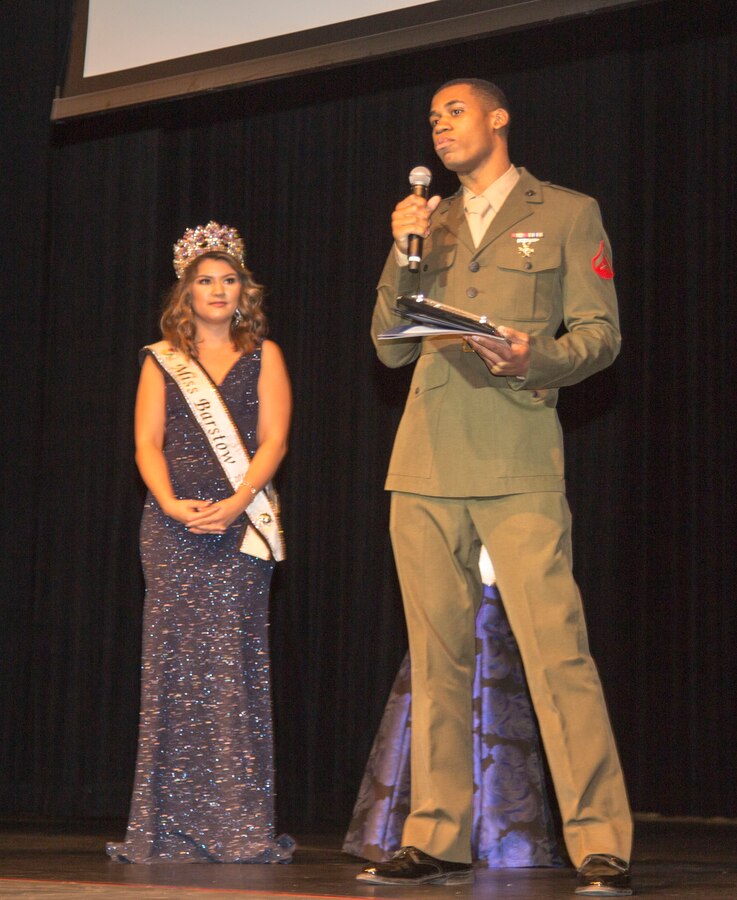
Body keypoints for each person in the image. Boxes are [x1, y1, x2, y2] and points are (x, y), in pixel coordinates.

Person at [356, 79, 633, 896]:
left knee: (557, 654)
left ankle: (600, 842)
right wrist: (404, 250)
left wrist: (532, 357)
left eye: (454, 112)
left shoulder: (567, 212)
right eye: (431, 118)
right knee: (437, 658)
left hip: (517, 460)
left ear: (498, 118)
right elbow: (388, 345)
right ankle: (436, 836)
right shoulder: (426, 222)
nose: (439, 126)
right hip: (425, 462)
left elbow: (600, 336)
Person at [107, 221, 294, 863]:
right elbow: (146, 443)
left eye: (228, 279)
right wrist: (168, 503)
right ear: (186, 293)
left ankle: (238, 825)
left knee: (232, 667)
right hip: (172, 529)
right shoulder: (160, 359)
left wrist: (238, 503)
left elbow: (275, 440)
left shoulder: (265, 355)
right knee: (172, 669)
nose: (217, 289)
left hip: (242, 527)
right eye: (205, 280)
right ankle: (164, 828)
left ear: (244, 291)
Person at [343, 548, 561, 869]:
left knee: (489, 685)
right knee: (436, 686)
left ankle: (492, 833)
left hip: (491, 570)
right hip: (450, 569)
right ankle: (423, 832)